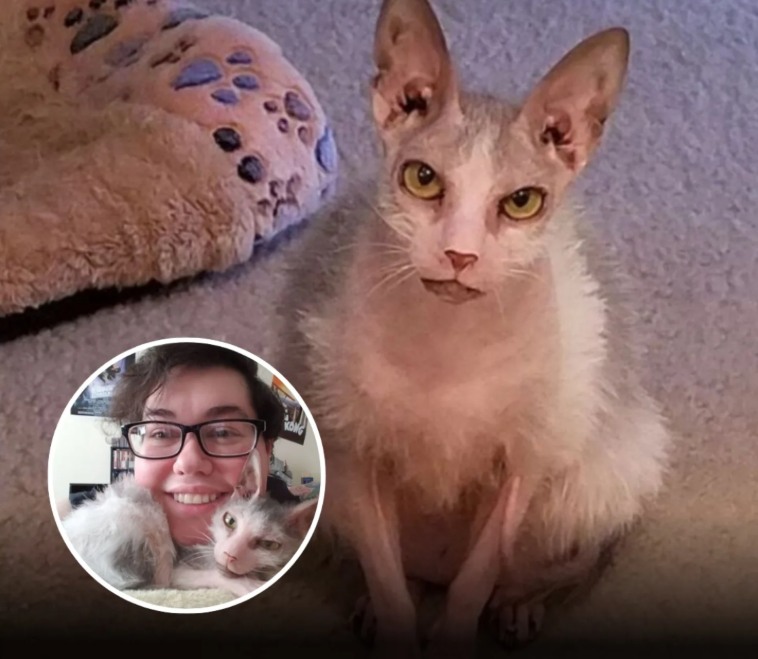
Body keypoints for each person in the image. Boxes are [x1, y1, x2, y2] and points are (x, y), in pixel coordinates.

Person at [71, 342, 298, 546]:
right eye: (161, 434)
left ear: (267, 449)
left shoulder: (303, 525)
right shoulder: (94, 517)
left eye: (222, 432)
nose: (189, 463)